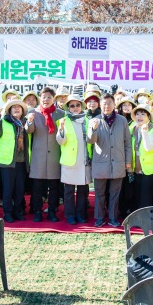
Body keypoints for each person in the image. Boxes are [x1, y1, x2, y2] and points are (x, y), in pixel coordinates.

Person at [87, 93, 131, 227]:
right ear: (100, 105)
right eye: (104, 103)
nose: (107, 106)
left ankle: (113, 217)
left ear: (114, 105)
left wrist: (128, 161)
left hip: (118, 162)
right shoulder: (94, 120)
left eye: (109, 103)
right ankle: (99, 218)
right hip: (100, 163)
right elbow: (90, 140)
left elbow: (127, 143)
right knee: (99, 193)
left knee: (115, 193)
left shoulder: (122, 120)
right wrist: (93, 130)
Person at [25, 86, 64, 222]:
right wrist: (29, 121)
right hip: (38, 156)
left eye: (49, 97)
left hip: (54, 156)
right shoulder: (33, 113)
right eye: (43, 97)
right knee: (37, 186)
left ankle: (52, 211)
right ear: (40, 99)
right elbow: (29, 131)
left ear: (53, 99)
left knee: (54, 187)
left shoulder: (60, 114)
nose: (46, 100)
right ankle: (37, 211)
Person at [0, 99, 29, 223]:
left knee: (19, 189)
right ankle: (7, 213)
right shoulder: (3, 121)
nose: (17, 109)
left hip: (22, 161)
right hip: (7, 161)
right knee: (8, 189)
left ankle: (17, 211)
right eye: (14, 107)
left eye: (19, 107)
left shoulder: (25, 122)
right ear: (9, 110)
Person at [56, 96, 92, 224]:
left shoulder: (88, 120)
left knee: (83, 191)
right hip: (70, 160)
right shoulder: (63, 121)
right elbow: (61, 141)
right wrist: (60, 129)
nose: (75, 108)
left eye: (77, 105)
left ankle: (81, 214)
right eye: (72, 106)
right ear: (68, 108)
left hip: (84, 160)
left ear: (81, 107)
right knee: (69, 190)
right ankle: (70, 215)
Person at [128, 103, 153, 210]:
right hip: (137, 168)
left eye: (143, 114)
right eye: (137, 114)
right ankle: (139, 218)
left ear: (148, 117)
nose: (140, 117)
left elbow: (148, 148)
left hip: (150, 169)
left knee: (145, 196)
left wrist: (145, 132)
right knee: (137, 194)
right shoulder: (132, 128)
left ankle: (145, 220)